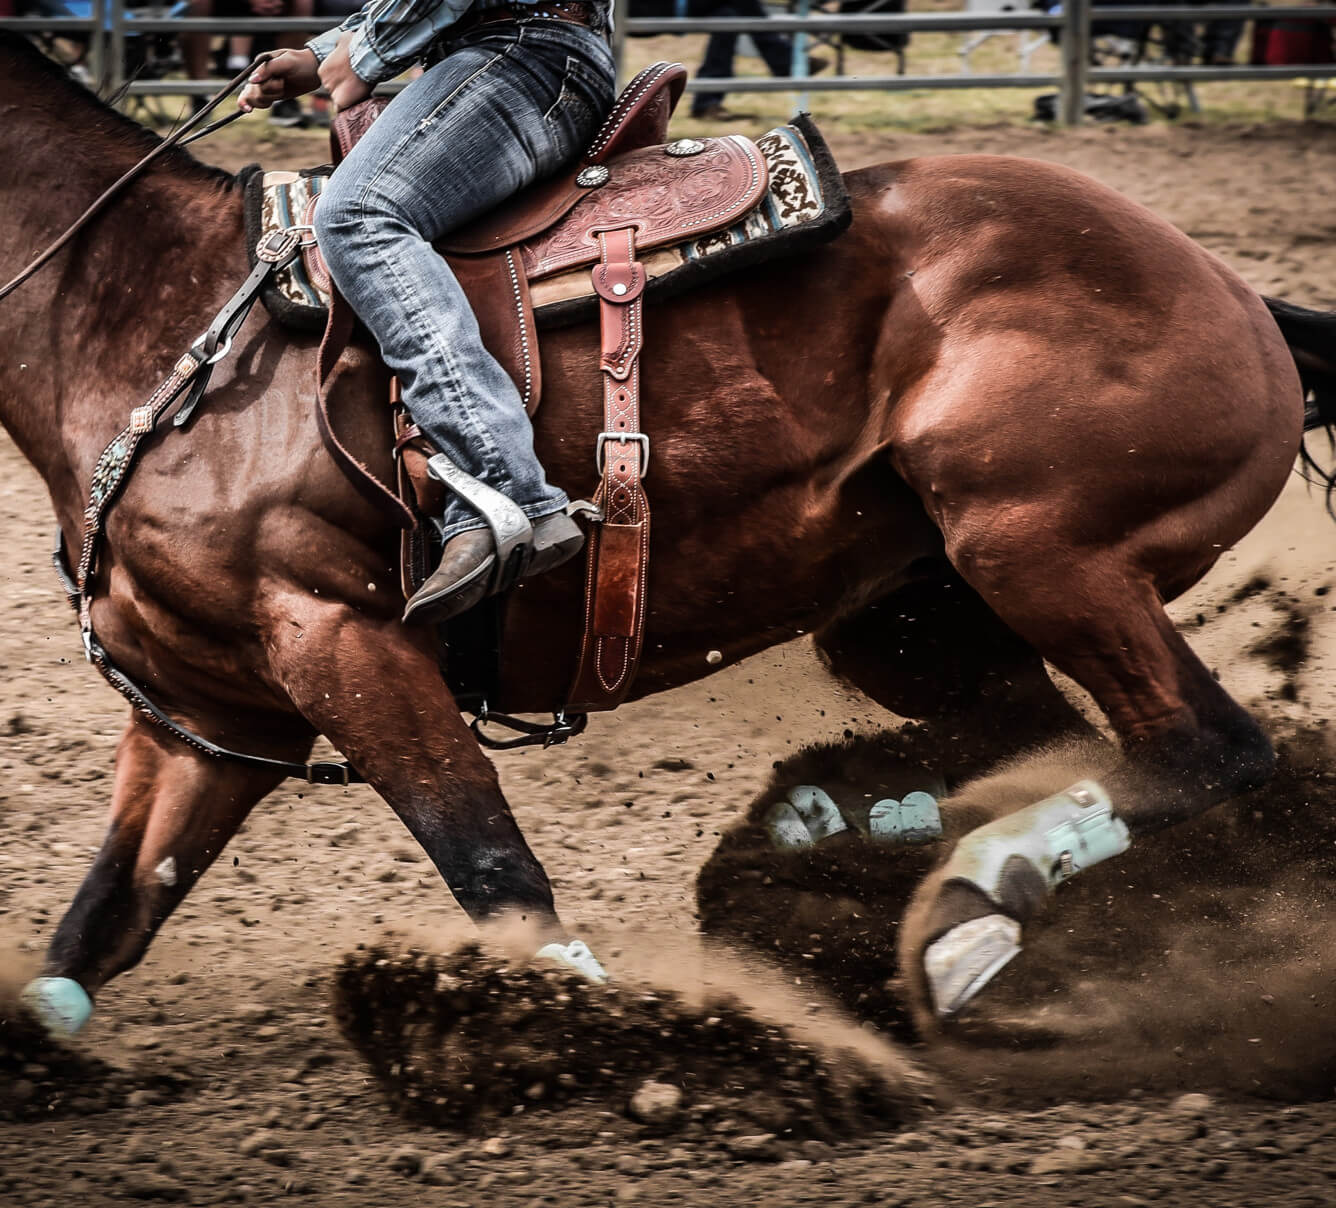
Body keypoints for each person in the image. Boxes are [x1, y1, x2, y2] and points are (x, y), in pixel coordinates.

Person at [239, 0, 615, 622]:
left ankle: (504, 483)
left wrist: (367, 54)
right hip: (525, 52)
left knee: (358, 215)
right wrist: (321, 51)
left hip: (520, 57)